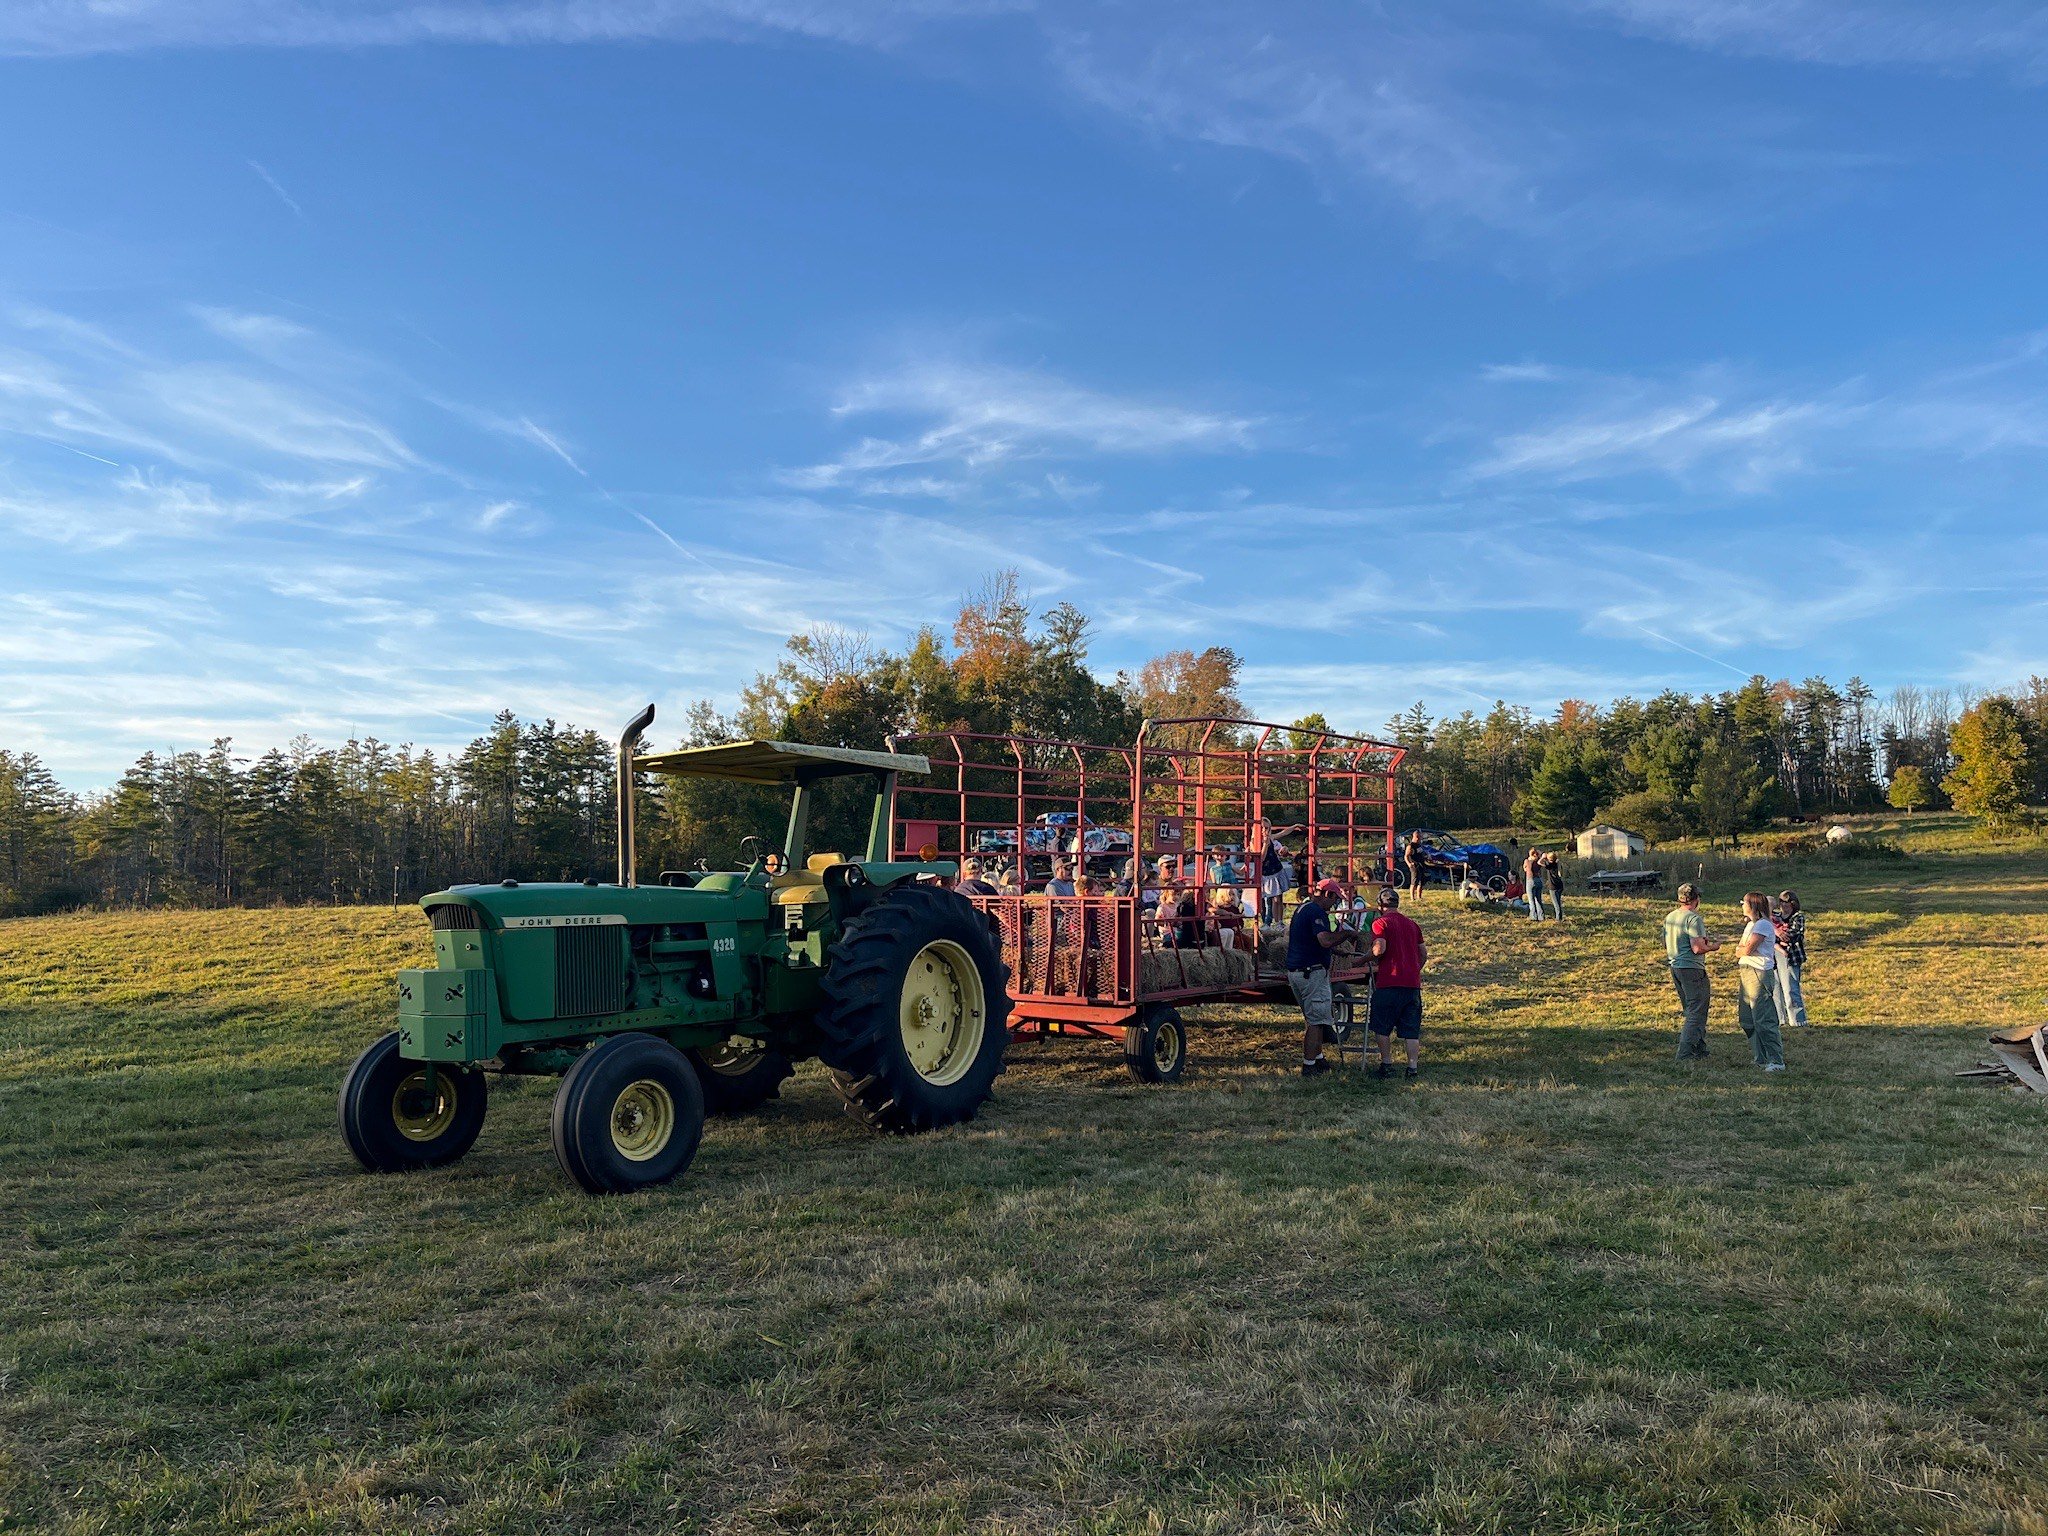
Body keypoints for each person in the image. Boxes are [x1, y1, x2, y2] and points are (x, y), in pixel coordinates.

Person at [1286, 877, 1359, 1077]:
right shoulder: (1316, 912)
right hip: (1311, 972)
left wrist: (1336, 952)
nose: (1333, 905)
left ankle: (1318, 1058)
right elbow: (1324, 939)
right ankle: (1309, 1065)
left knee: (1313, 1018)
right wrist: (1345, 935)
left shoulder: (1303, 908)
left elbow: (1312, 942)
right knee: (1317, 1020)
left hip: (1298, 970)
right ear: (1327, 894)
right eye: (1334, 900)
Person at [1368, 887, 1428, 1079]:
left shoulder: (1380, 923)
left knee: (1382, 1026)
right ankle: (1412, 1068)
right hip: (1412, 984)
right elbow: (1423, 953)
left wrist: (1363, 959)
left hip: (1389, 982)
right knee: (1411, 1030)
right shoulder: (1412, 924)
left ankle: (1387, 1065)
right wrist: (1414, 970)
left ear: (1380, 906)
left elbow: (1379, 950)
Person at [1663, 882, 1720, 1060]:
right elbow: (1697, 948)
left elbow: (1665, 942)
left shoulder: (1670, 917)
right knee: (1697, 1010)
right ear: (1695, 899)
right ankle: (1685, 1052)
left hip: (1676, 966)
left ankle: (1699, 1049)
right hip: (1692, 969)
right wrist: (1712, 947)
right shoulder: (1693, 919)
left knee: (1691, 1008)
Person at [1734, 891, 1786, 1072]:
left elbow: (1746, 949)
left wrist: (1743, 949)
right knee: (1747, 1018)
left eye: (1744, 902)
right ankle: (1760, 1057)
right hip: (1746, 971)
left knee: (1763, 1018)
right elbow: (1738, 950)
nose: (1741, 905)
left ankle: (1776, 1059)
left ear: (1753, 905)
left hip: (1759, 973)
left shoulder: (1763, 925)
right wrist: (1742, 949)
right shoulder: (1751, 925)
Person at [1773, 890, 1809, 1028]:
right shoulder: (1774, 916)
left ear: (1793, 903)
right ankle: (1779, 1019)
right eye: (1782, 901)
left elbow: (1794, 934)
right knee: (1775, 988)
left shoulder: (1798, 916)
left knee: (1790, 988)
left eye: (1787, 902)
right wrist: (1777, 936)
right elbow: (1767, 930)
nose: (1784, 905)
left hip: (1791, 956)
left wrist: (1777, 937)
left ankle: (1797, 1020)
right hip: (1774, 956)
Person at [1522, 847, 1544, 921]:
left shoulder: (1527, 861)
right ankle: (1541, 916)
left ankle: (1533, 916)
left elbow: (1525, 869)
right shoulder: (1538, 861)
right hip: (1539, 879)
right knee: (1538, 900)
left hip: (1530, 880)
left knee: (1531, 900)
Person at [1542, 850, 1565, 921]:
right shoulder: (1557, 863)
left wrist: (1543, 858)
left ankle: (1558, 919)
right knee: (1558, 902)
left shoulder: (1549, 865)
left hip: (1553, 886)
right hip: (1559, 885)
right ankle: (1560, 917)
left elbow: (1539, 863)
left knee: (1556, 903)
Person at [1404, 831, 1428, 897]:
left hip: (1421, 865)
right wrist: (1409, 864)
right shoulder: (1410, 846)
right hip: (1414, 866)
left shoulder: (1419, 845)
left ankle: (1419, 897)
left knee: (1421, 882)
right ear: (1415, 837)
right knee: (1414, 882)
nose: (1419, 839)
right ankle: (1412, 898)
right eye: (1418, 837)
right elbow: (1406, 856)